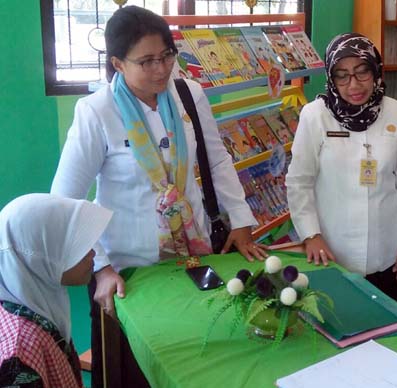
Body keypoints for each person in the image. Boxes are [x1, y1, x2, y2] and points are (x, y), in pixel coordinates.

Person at [50, 6, 266, 386]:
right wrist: (100, 267)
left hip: (192, 258)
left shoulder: (189, 94)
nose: (161, 70)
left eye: (167, 55)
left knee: (193, 361)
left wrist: (242, 221)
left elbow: (216, 160)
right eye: (146, 61)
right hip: (128, 272)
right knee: (130, 373)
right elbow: (65, 200)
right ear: (117, 63)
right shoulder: (96, 111)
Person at [286, 33, 397, 303]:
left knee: (385, 328)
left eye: (362, 73)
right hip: (330, 250)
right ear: (331, 77)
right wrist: (311, 235)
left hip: (386, 251)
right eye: (342, 75)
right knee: (335, 329)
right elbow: (299, 181)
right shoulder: (315, 116)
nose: (354, 85)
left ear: (376, 71)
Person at [0, 194, 112, 388]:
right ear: (39, 258)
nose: (92, 253)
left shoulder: (37, 308)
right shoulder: (20, 358)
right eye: (77, 246)